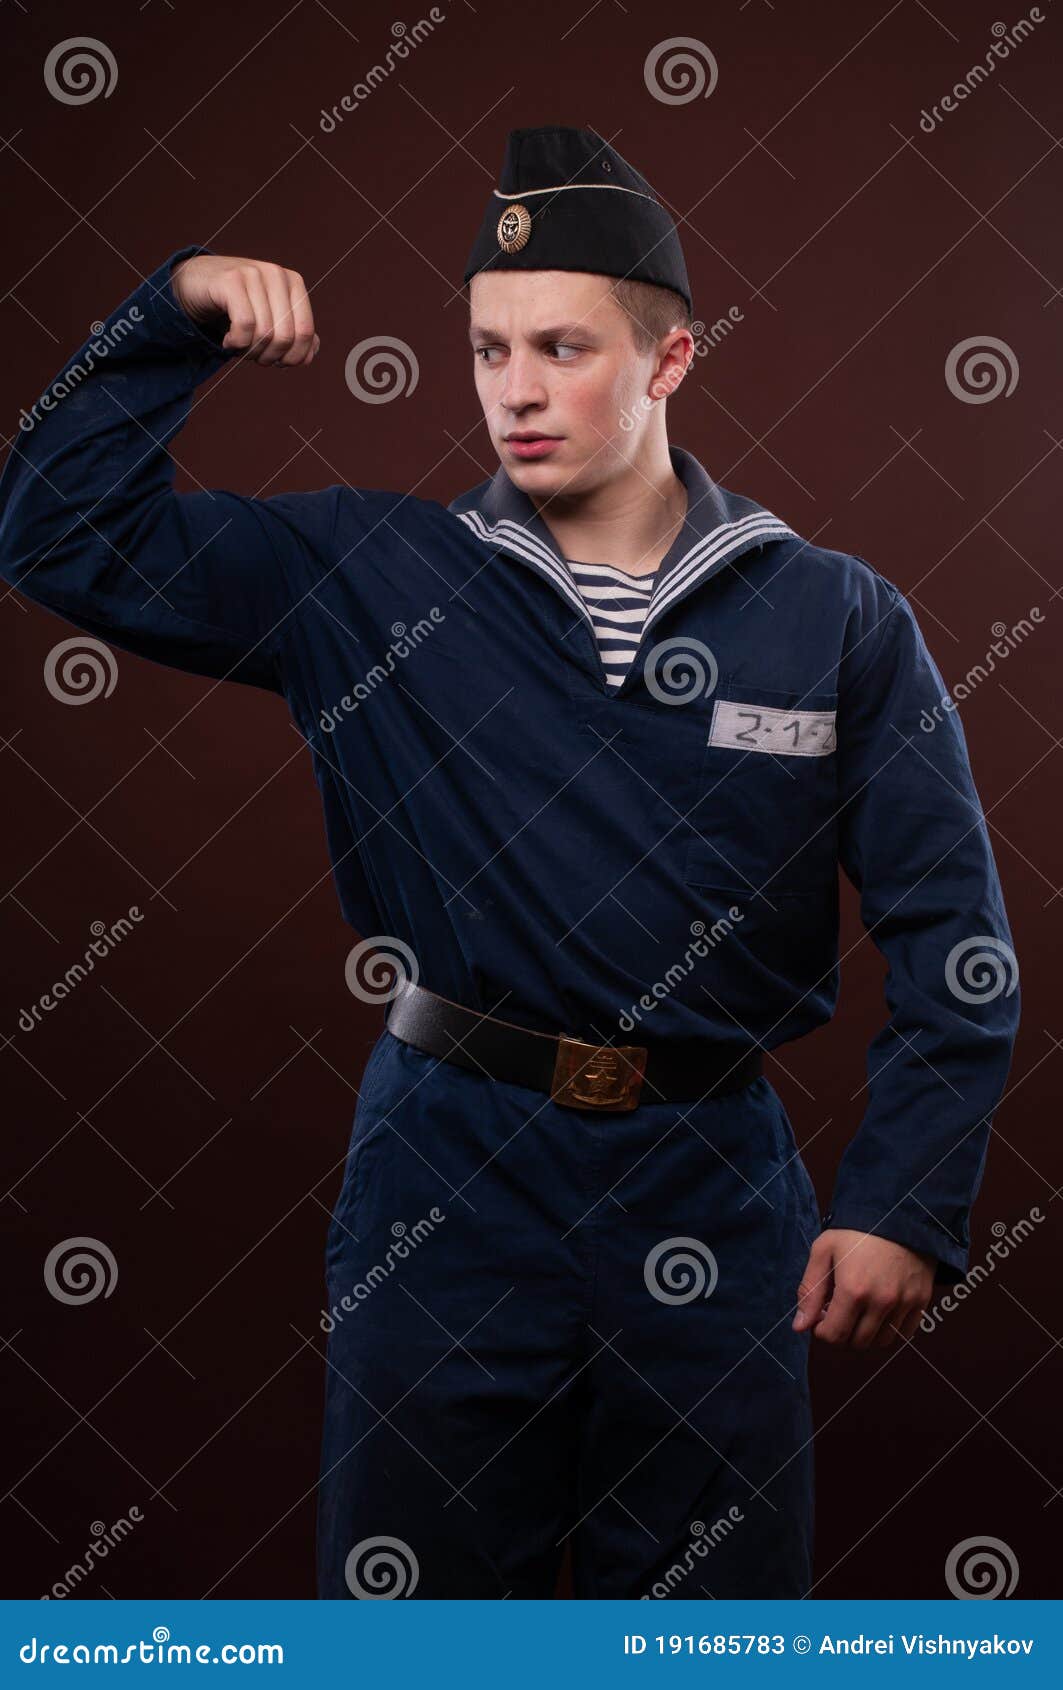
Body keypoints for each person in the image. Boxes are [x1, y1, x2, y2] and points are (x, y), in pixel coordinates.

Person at [0, 125, 1019, 1600]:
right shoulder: (369, 577)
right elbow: (55, 534)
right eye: (488, 350)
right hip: (448, 1174)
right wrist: (170, 318)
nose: (518, 390)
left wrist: (905, 1196)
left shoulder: (837, 617)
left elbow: (953, 933)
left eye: (561, 346)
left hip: (712, 1189)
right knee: (419, 1625)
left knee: (711, 1629)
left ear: (670, 361)